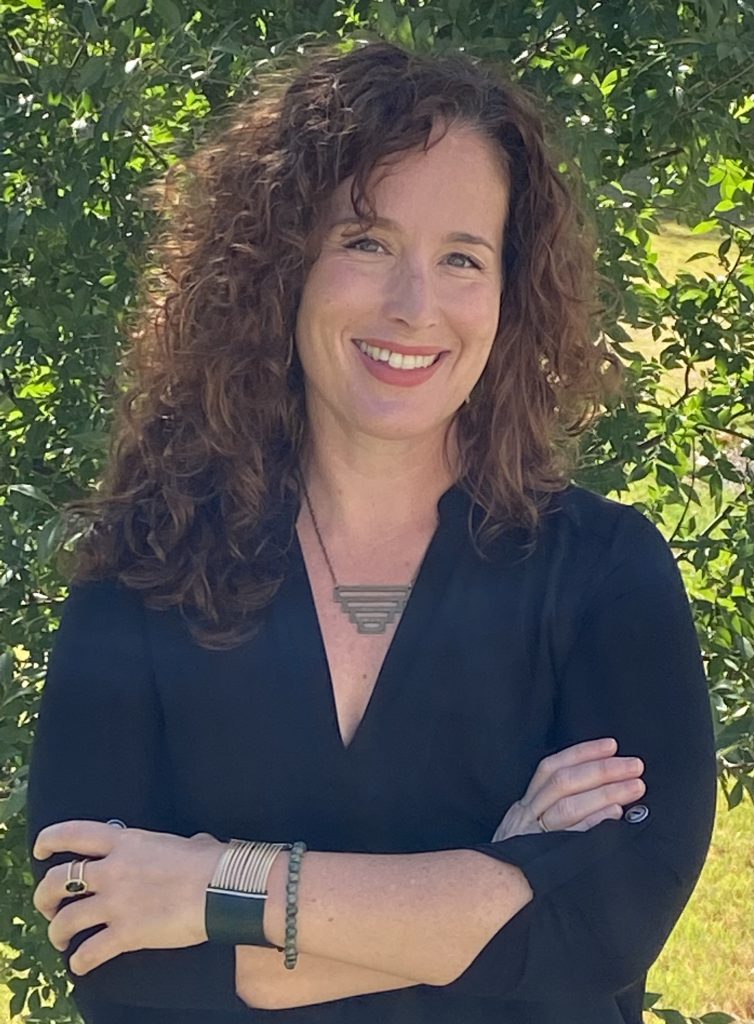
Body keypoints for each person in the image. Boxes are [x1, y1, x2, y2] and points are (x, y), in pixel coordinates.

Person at [26, 40, 716, 1024]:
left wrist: (214, 885)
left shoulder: (605, 573)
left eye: (461, 258)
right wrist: (498, 878)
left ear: (508, 294)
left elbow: (603, 933)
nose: (414, 305)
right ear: (281, 265)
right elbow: (118, 968)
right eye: (367, 242)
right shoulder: (146, 568)